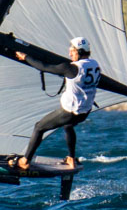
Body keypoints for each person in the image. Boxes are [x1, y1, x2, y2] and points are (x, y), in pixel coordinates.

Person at [12, 36, 101, 172]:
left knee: (39, 127)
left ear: (80, 51)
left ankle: (25, 161)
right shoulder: (95, 65)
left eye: (72, 51)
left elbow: (44, 67)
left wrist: (26, 57)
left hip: (69, 112)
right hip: (84, 112)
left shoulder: (71, 68)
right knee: (68, 126)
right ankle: (71, 159)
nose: (70, 53)